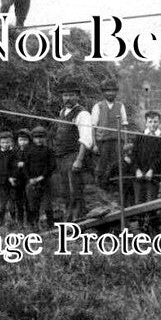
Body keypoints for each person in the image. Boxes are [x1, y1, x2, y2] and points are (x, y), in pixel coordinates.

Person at [52, 82, 94, 222]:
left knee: (75, 189)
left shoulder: (82, 114)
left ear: (77, 97)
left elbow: (86, 139)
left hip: (74, 156)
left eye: (71, 95)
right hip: (62, 157)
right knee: (65, 190)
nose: (68, 98)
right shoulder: (62, 112)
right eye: (65, 95)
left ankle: (79, 219)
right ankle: (68, 219)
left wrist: (79, 160)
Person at [91, 79, 129, 190]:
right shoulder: (98, 106)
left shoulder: (120, 106)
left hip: (117, 141)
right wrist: (94, 144)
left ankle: (115, 188)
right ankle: (101, 188)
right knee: (102, 165)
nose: (110, 93)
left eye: (113, 91)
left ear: (116, 92)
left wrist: (125, 143)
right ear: (103, 93)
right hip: (102, 141)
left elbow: (124, 126)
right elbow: (93, 127)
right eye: (107, 91)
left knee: (117, 164)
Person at [128, 110, 161, 206]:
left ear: (159, 123)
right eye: (150, 122)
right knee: (138, 202)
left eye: (155, 122)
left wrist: (151, 170)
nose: (152, 124)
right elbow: (134, 155)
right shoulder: (140, 136)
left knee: (151, 202)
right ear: (146, 123)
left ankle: (151, 216)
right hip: (138, 175)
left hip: (153, 175)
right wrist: (137, 170)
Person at [23, 126, 56, 231]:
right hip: (32, 181)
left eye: (41, 137)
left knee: (47, 204)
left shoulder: (48, 150)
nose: (39, 139)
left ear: (45, 138)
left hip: (45, 181)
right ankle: (34, 225)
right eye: (36, 137)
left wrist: (42, 177)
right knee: (33, 205)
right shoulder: (28, 150)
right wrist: (30, 178)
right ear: (33, 138)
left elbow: (52, 166)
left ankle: (51, 225)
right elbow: (25, 166)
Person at [0, 130, 19, 227]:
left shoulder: (14, 154)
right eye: (3, 142)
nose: (5, 144)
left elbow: (15, 168)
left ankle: (13, 220)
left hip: (11, 182)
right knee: (1, 203)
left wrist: (12, 177)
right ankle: (1, 221)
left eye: (7, 142)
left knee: (12, 202)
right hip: (0, 182)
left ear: (11, 142)